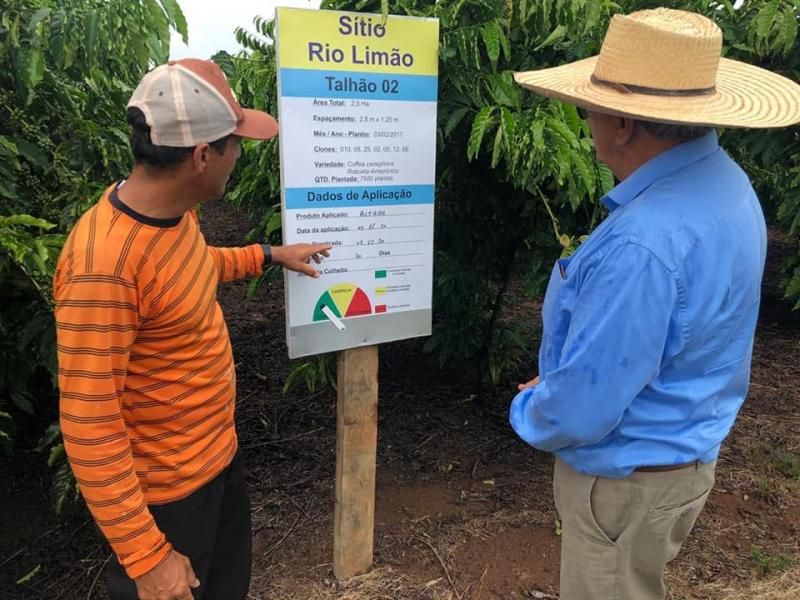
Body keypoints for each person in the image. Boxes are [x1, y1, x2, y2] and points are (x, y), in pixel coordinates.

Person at [509, 8, 800, 600]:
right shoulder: (726, 184)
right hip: (683, 459)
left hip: (626, 483)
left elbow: (580, 414)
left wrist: (535, 406)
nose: (585, 120)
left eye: (587, 109)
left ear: (621, 124)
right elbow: (670, 337)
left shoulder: (644, 243)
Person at [53, 58, 330, 600]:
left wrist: (270, 254)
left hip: (216, 461)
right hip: (166, 501)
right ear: (203, 156)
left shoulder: (177, 214)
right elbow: (89, 423)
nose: (240, 155)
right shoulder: (102, 265)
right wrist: (147, 556)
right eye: (235, 143)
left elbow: (196, 267)